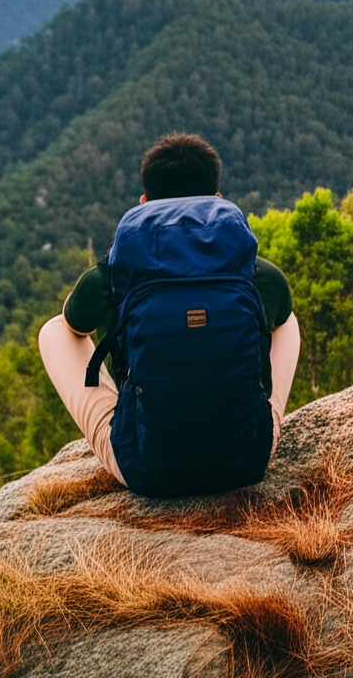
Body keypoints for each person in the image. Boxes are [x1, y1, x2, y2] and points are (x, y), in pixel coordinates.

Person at [39, 131, 300, 495]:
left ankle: (133, 420)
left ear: (144, 202)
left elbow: (74, 322)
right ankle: (259, 420)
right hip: (245, 461)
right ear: (218, 198)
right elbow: (279, 313)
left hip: (149, 470)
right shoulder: (256, 272)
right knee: (288, 322)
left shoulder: (118, 271)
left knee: (53, 330)